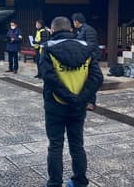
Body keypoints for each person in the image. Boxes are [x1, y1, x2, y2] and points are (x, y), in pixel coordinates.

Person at [40, 16, 103, 187]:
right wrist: (81, 98)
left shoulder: (48, 48)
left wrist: (67, 96)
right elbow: (97, 77)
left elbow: (48, 77)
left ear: (52, 31)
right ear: (71, 30)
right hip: (78, 107)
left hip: (55, 105)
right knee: (77, 145)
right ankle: (80, 181)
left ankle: (54, 183)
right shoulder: (87, 48)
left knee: (55, 146)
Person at [72, 13, 99, 111]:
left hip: (90, 59)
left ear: (76, 21)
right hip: (82, 59)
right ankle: (84, 100)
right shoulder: (80, 30)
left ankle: (91, 102)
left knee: (90, 80)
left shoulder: (88, 30)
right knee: (83, 81)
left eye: (73, 21)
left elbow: (91, 45)